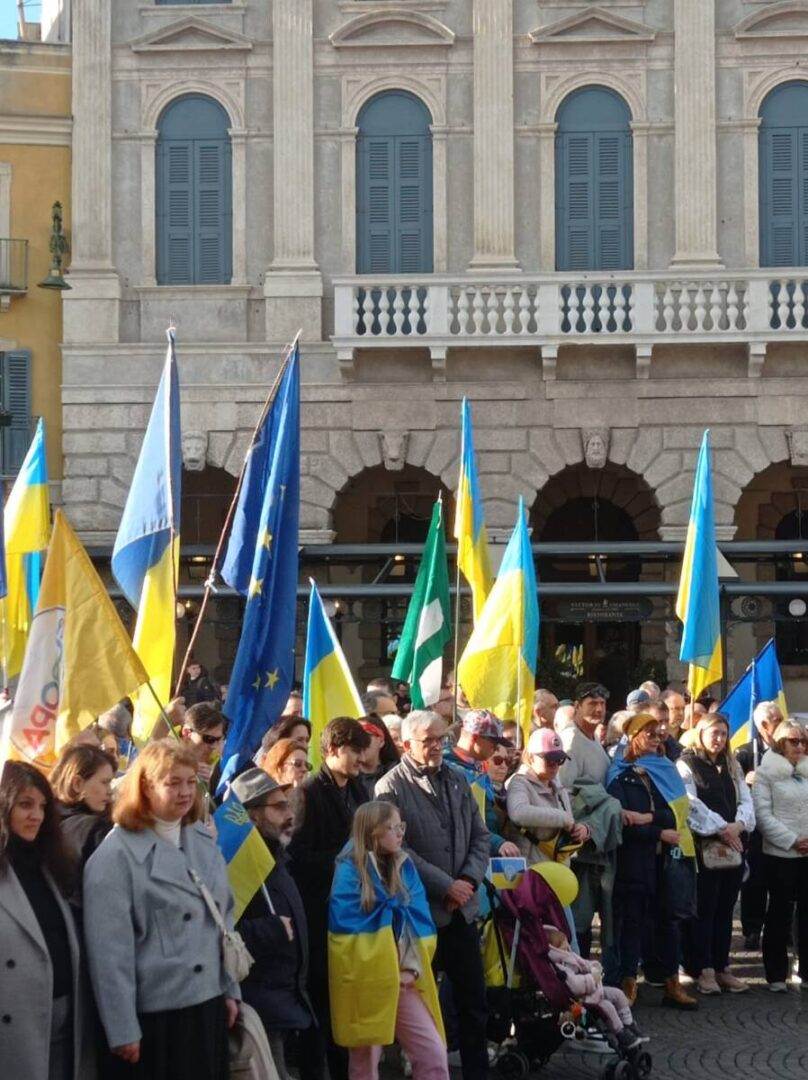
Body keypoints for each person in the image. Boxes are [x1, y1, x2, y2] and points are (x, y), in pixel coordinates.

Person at [83, 740, 240, 1079]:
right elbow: (110, 954)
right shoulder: (115, 857)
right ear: (145, 787)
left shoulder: (201, 839)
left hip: (207, 1004)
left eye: (190, 782)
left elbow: (223, 919)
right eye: (173, 783)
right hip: (157, 1018)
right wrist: (122, 1028)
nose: (185, 792)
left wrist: (230, 989)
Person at [376, 710, 490, 1080]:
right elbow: (398, 848)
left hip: (462, 910)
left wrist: (469, 879)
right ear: (406, 744)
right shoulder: (389, 787)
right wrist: (446, 884)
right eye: (429, 740)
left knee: (474, 1001)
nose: (438, 746)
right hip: (420, 914)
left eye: (442, 738)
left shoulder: (458, 778)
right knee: (419, 1003)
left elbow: (480, 836)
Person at [328, 801, 448, 1080]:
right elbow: (346, 934)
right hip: (366, 982)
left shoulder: (404, 865)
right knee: (364, 1064)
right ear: (372, 833)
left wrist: (412, 968)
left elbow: (421, 921)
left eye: (401, 826)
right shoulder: (348, 871)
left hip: (404, 979)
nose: (400, 833)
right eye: (393, 827)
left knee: (433, 1053)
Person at [0, 761, 95, 1080]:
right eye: (25, 805)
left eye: (42, 806)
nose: (36, 815)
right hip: (17, 1033)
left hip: (66, 1026)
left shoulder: (52, 865)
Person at [288, 717, 371, 1080]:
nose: (361, 760)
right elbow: (297, 857)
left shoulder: (359, 790)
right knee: (322, 1005)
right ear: (334, 750)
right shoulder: (306, 792)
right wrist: (343, 863)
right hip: (321, 914)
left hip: (355, 914)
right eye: (354, 752)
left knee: (347, 1005)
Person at [606, 713, 697, 1011]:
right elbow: (622, 822)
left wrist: (647, 818)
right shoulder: (619, 774)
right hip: (635, 861)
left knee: (669, 922)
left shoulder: (666, 770)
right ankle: (629, 982)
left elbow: (676, 813)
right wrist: (658, 830)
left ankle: (672, 983)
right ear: (633, 737)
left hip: (668, 862)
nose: (656, 740)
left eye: (659, 735)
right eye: (649, 734)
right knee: (632, 922)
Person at [230, 769, 313, 1080]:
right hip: (259, 1003)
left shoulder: (275, 855)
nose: (289, 814)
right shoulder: (238, 860)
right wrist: (272, 930)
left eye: (287, 804)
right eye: (279, 807)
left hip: (283, 999)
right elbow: (223, 931)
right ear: (252, 816)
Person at [677, 713, 754, 994]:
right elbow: (690, 803)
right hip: (704, 847)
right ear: (701, 733)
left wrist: (739, 825)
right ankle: (703, 967)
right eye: (713, 732)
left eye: (723, 733)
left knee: (725, 909)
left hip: (733, 847)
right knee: (704, 910)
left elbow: (745, 799)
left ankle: (722, 966)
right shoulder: (686, 764)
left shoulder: (731, 764)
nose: (718, 739)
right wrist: (722, 828)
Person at [558, 683, 621, 959]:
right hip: (580, 841)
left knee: (597, 911)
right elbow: (563, 790)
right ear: (577, 706)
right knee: (580, 916)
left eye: (601, 704)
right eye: (591, 703)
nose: (597, 709)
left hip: (597, 840)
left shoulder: (593, 739)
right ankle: (578, 977)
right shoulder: (571, 739)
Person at [752, 719, 808, 992]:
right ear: (780, 743)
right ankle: (776, 975)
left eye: (803, 741)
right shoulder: (766, 773)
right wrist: (792, 841)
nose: (799, 746)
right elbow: (763, 815)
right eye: (793, 741)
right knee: (779, 913)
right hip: (780, 854)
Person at [545, 926, 646, 1052]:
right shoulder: (561, 968)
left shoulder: (569, 957)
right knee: (607, 1006)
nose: (567, 948)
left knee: (619, 994)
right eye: (564, 946)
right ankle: (620, 1033)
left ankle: (629, 1023)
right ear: (556, 950)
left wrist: (593, 967)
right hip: (582, 998)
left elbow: (583, 963)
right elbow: (575, 985)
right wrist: (592, 978)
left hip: (594, 991)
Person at [736, 700, 784, 948]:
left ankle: (780, 929)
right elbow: (734, 788)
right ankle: (752, 928)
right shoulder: (745, 752)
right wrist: (746, 779)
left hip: (782, 825)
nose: (781, 723)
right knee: (754, 881)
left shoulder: (788, 751)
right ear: (764, 725)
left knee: (781, 881)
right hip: (755, 831)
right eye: (777, 720)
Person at [442, 709, 521, 858]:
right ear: (474, 738)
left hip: (484, 853)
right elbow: (461, 822)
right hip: (462, 858)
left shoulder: (478, 768)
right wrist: (497, 842)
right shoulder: (447, 770)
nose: (496, 747)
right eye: (493, 742)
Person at [505, 728, 585, 866]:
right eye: (549, 759)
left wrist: (581, 829)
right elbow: (518, 813)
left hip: (557, 871)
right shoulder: (519, 782)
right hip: (530, 872)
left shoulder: (558, 788)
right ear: (530, 757)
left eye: (560, 759)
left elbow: (568, 824)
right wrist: (563, 818)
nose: (555, 764)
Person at [50, 745, 116, 899]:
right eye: (104, 782)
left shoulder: (48, 818)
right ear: (77, 784)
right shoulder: (96, 829)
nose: (110, 790)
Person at [180, 701, 227, 793]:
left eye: (219, 739)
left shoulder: (220, 761)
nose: (214, 746)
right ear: (186, 733)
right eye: (209, 739)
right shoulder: (166, 755)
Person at [358, 716, 400, 797]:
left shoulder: (399, 774)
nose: (359, 742)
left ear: (380, 741)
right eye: (354, 738)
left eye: (365, 736)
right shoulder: (347, 782)